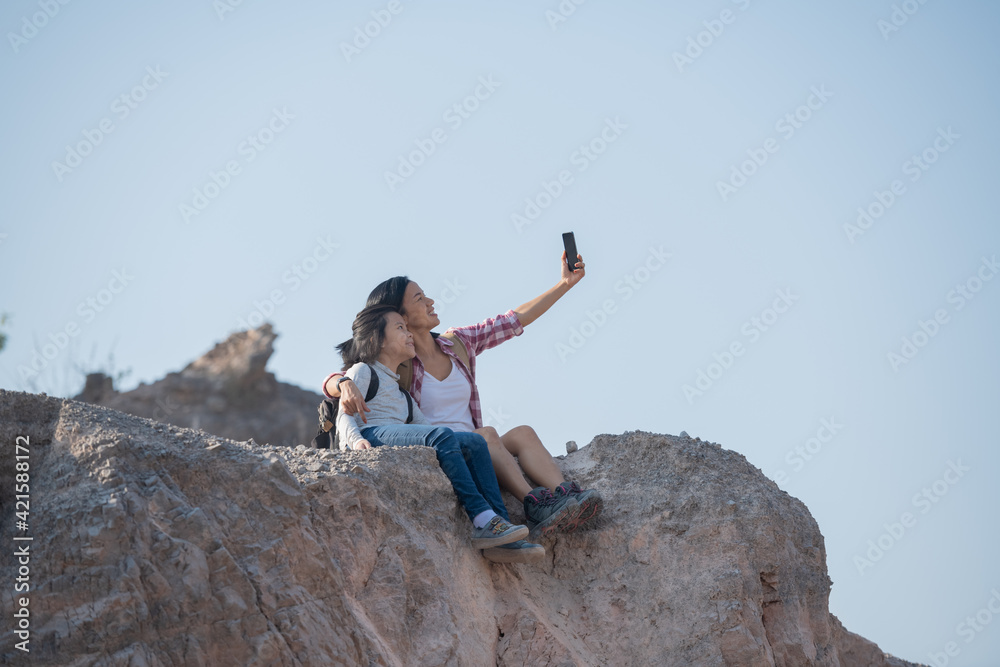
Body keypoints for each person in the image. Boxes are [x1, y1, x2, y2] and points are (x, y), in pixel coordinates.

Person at [324, 251, 602, 537]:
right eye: (420, 298)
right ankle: (535, 504)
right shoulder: (398, 362)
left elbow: (513, 320)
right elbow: (347, 374)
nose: (431, 301)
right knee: (487, 434)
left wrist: (565, 284)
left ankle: (566, 498)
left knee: (522, 433)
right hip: (443, 452)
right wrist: (342, 383)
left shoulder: (457, 343)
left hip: (479, 451)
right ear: (400, 317)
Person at [336, 303, 545, 564]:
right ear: (375, 340)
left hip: (395, 436)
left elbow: (430, 431)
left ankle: (501, 531)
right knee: (442, 435)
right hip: (371, 434)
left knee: (474, 442)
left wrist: (460, 445)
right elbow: (344, 414)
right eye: (400, 328)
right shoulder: (363, 371)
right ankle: (482, 518)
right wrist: (356, 441)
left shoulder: (404, 396)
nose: (409, 333)